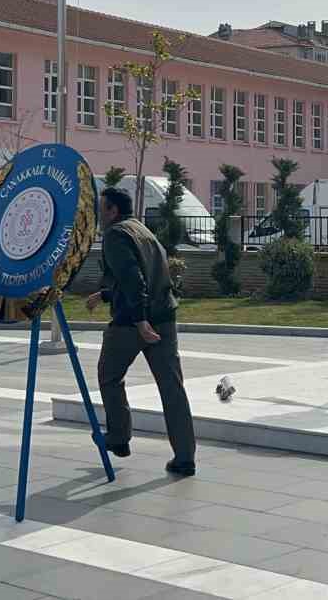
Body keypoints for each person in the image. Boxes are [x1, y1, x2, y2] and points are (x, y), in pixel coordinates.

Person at [87, 187, 197, 477]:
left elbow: (133, 279)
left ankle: (119, 437)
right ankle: (185, 457)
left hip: (132, 323)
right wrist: (106, 295)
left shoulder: (115, 234)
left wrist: (139, 321)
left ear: (112, 211)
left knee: (109, 375)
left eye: (102, 210)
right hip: (164, 316)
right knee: (172, 387)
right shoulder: (142, 230)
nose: (99, 216)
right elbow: (142, 276)